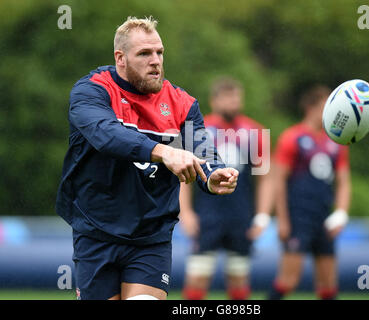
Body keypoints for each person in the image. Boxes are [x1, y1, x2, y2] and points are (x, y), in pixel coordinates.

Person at [55, 16, 239, 300]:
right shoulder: (91, 91)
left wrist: (213, 173)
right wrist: (165, 152)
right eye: (144, 53)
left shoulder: (183, 103)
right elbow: (106, 134)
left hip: (150, 237)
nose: (155, 60)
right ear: (121, 58)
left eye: (159, 52)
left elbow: (204, 152)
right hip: (95, 231)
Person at [179, 77, 273, 300]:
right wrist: (186, 212)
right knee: (197, 277)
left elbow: (266, 179)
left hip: (240, 215)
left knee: (239, 279)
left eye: (237, 97)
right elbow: (183, 176)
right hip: (207, 215)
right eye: (228, 97)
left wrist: (262, 216)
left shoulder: (254, 131)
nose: (234, 102)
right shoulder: (200, 132)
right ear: (214, 100)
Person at [268, 85, 351, 300]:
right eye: (327, 105)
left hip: (323, 218)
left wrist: (340, 213)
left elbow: (343, 181)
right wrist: (283, 220)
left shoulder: (337, 141)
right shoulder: (292, 138)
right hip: (298, 218)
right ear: (311, 107)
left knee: (328, 285)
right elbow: (278, 181)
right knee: (288, 281)